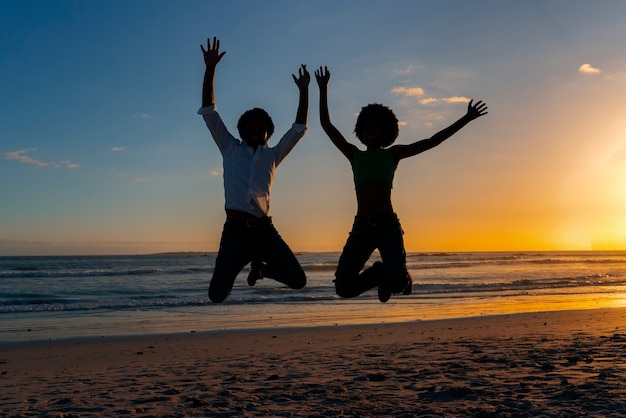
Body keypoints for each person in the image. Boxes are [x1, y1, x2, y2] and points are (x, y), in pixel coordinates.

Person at [315, 66, 487, 303]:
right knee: (343, 288)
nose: (371, 130)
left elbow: (432, 141)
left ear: (387, 131)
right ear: (360, 131)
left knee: (399, 284)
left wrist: (466, 118)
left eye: (377, 127)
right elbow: (327, 125)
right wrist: (323, 89)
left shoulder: (393, 154)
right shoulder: (354, 155)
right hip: (362, 228)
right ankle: (379, 274)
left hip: (387, 226)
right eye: (367, 127)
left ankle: (395, 279)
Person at [198, 37, 310, 303]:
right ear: (241, 130)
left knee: (298, 279)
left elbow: (298, 129)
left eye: (261, 128)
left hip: (264, 230)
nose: (255, 130)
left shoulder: (272, 155)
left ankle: (262, 269)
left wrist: (304, 91)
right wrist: (210, 68)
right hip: (235, 231)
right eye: (250, 126)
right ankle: (246, 264)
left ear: (268, 132)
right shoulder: (229, 148)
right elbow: (209, 112)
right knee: (216, 295)